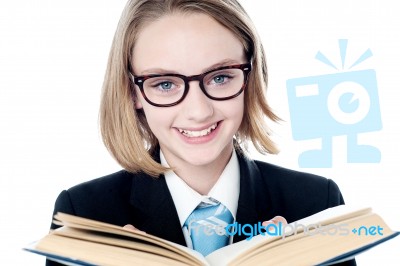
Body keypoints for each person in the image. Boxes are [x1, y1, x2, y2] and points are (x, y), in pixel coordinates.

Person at [47, 0, 356, 265]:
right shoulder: (84, 214)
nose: (198, 111)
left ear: (251, 76)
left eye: (221, 77)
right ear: (133, 92)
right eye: (165, 84)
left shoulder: (316, 204)